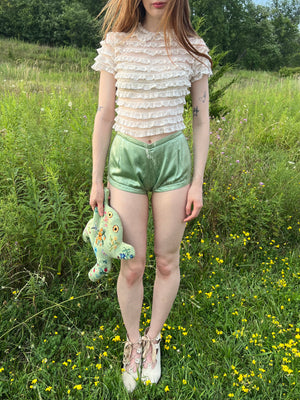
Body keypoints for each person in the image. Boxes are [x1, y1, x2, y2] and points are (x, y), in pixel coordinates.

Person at [89, 0, 212, 393]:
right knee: (132, 264)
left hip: (173, 163)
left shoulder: (193, 46)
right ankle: (132, 342)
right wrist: (96, 179)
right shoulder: (117, 42)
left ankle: (152, 340)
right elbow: (104, 113)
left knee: (167, 261)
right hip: (126, 161)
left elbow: (200, 117)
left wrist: (198, 181)